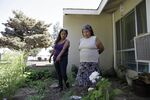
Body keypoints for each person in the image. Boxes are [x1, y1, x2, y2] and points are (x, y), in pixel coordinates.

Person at [76, 24, 104, 88]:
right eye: (84, 32)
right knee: (83, 79)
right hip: (83, 63)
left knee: (93, 78)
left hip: (93, 63)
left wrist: (95, 54)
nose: (85, 33)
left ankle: (93, 90)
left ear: (91, 31)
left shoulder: (95, 38)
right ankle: (85, 90)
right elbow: (80, 49)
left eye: (87, 31)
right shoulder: (81, 40)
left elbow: (102, 48)